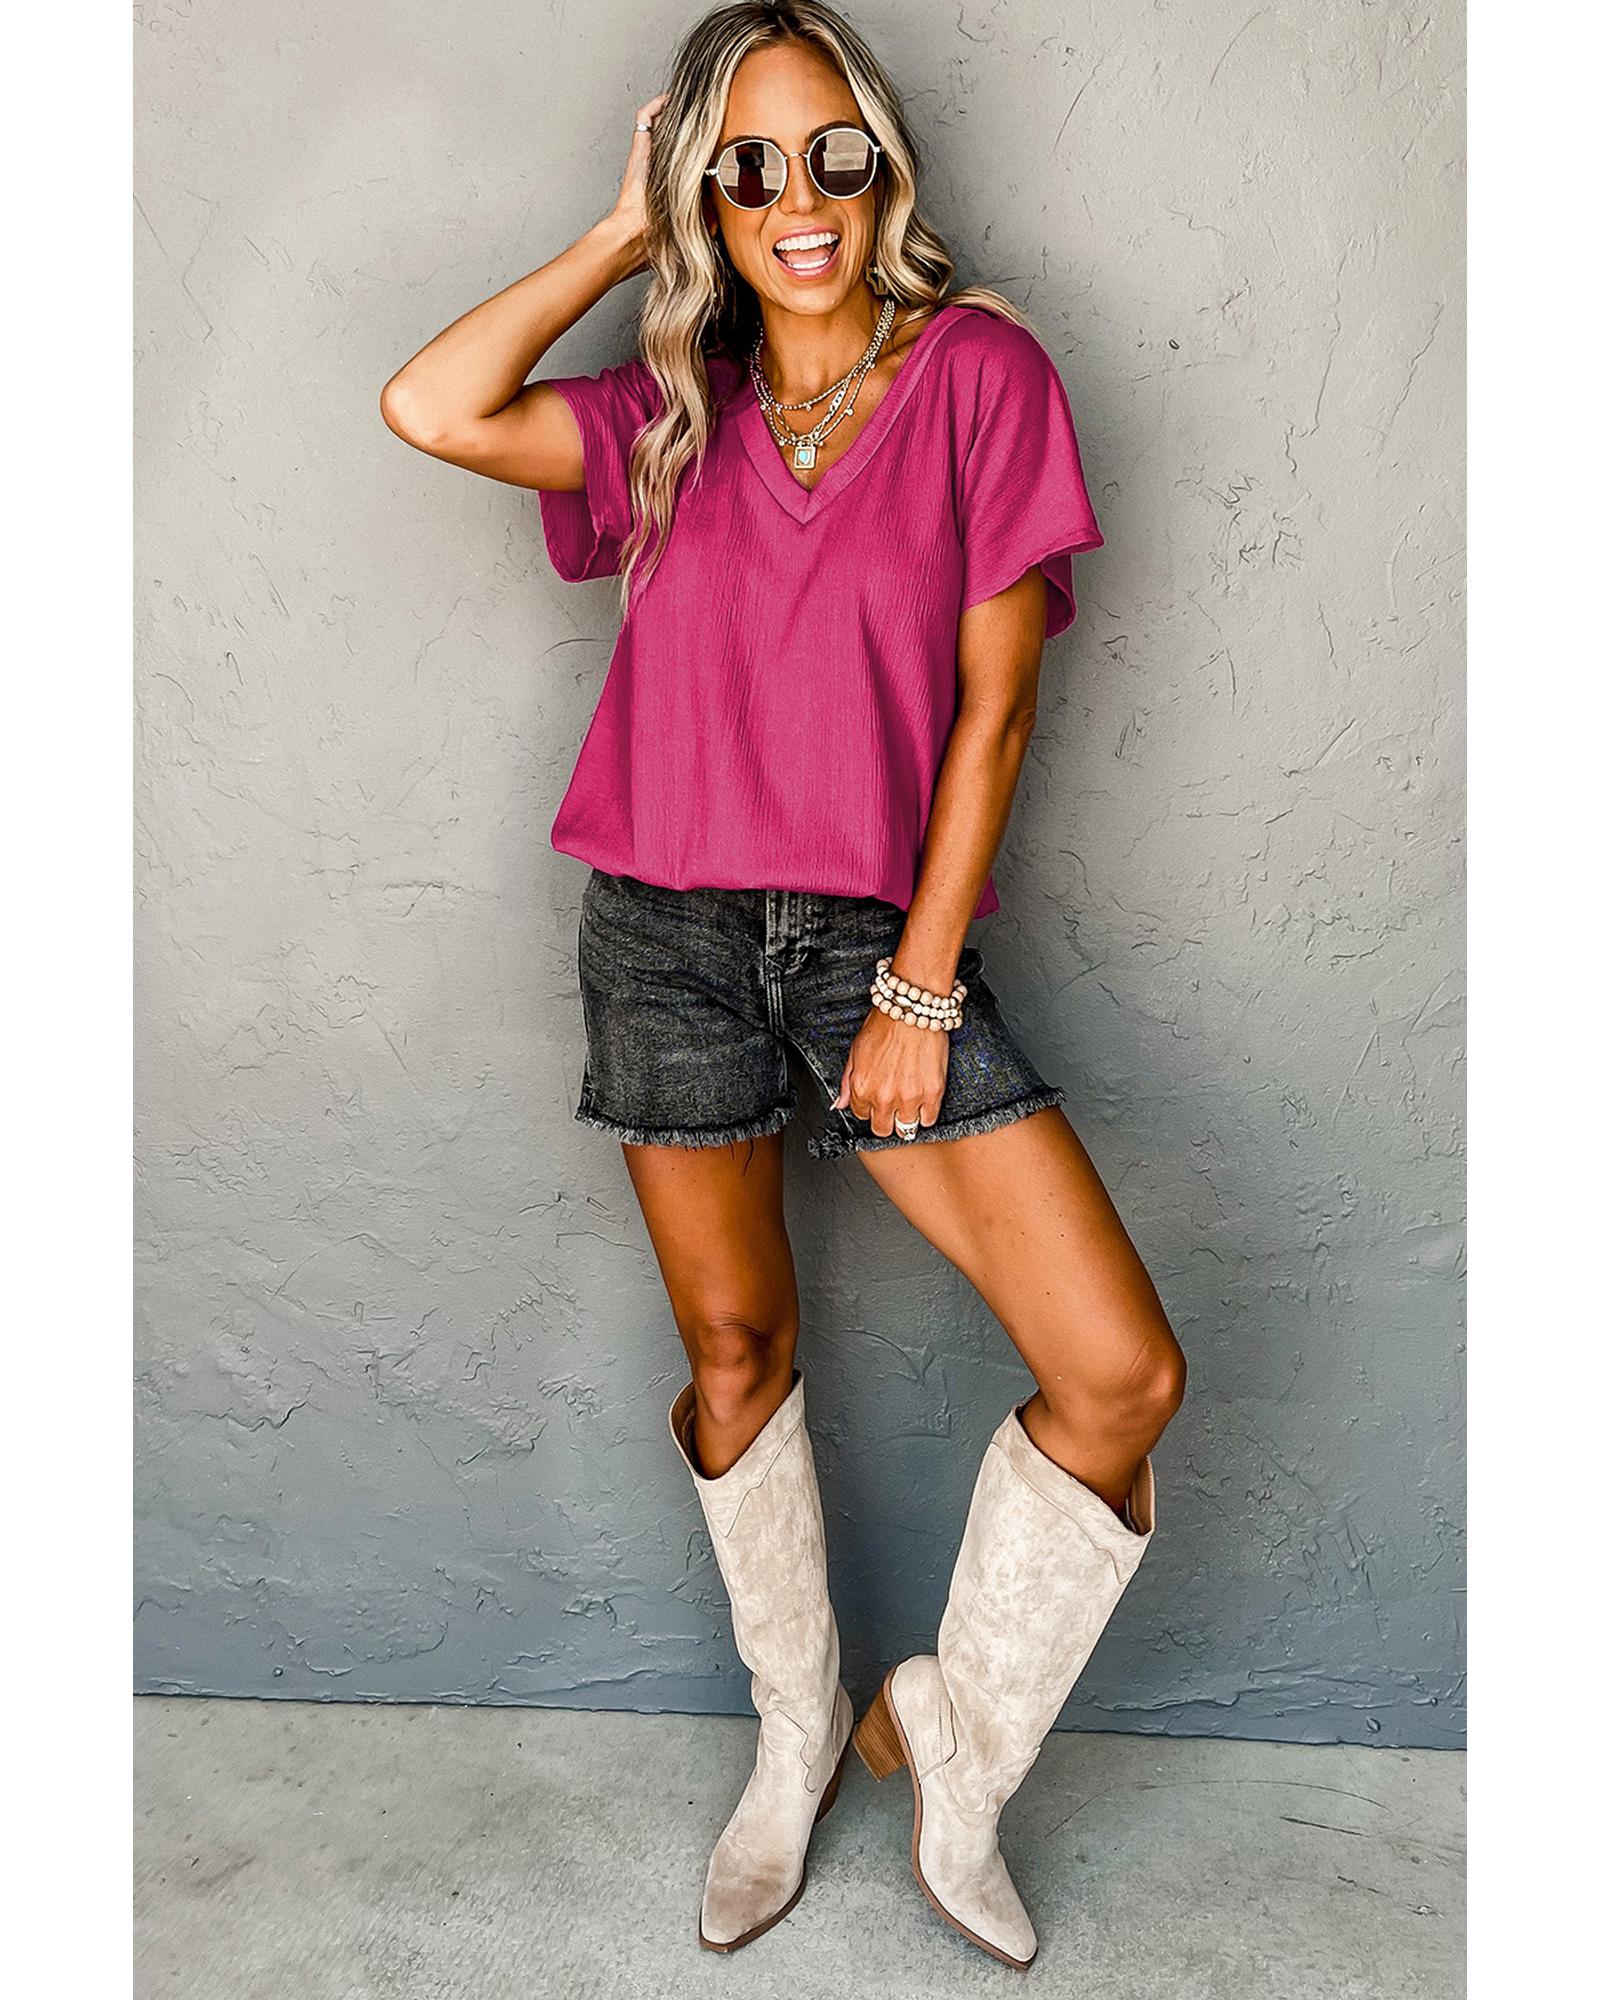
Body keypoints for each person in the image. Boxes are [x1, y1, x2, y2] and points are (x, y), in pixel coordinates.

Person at [381, 0, 1186, 1972]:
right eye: (744, 165)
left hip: (867, 948)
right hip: (657, 930)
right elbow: (432, 406)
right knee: (734, 1349)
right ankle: (794, 1735)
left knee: (1117, 1373)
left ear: (882, 167)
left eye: (834, 152)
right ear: (707, 197)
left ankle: (951, 1748)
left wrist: (916, 987)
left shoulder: (980, 372)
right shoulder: (671, 406)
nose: (798, 197)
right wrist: (616, 234)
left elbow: (996, 713)